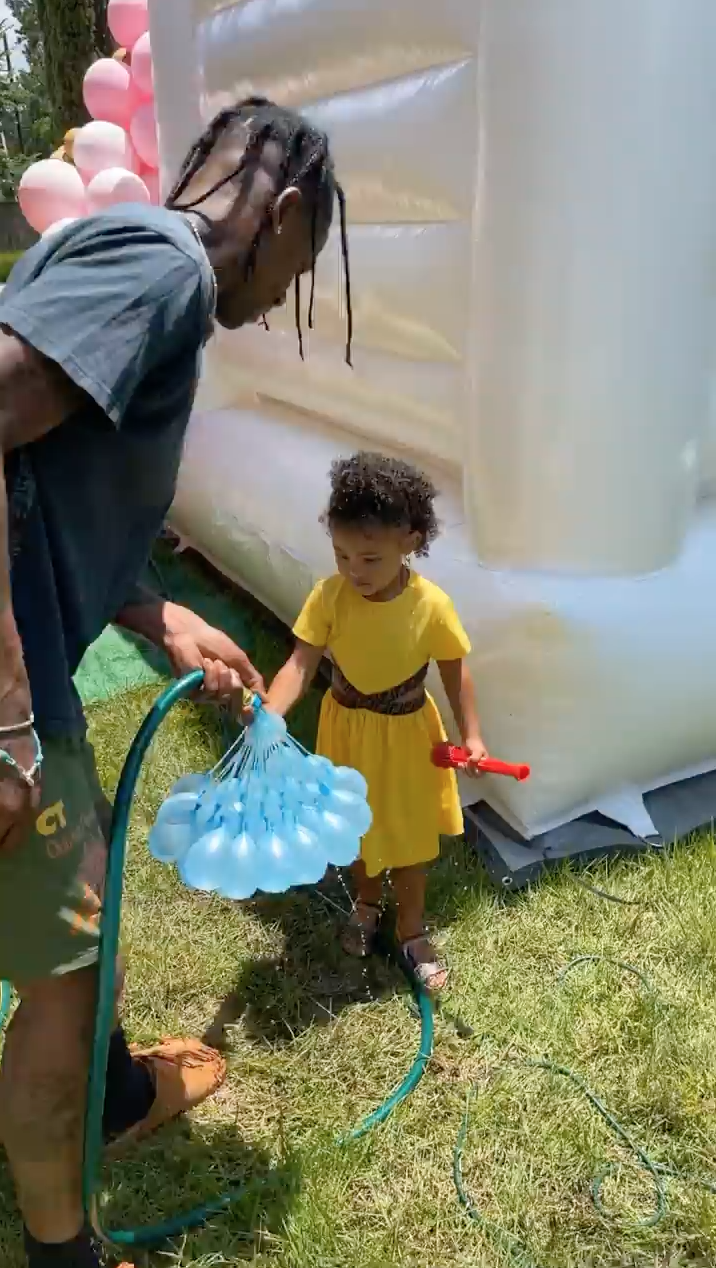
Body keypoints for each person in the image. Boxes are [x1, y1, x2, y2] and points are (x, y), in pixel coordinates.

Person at [0, 97, 351, 1268]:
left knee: (77, 932)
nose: (282, 297)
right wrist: (7, 717)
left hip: (38, 650)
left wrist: (159, 612)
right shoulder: (166, 272)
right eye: (302, 265)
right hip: (8, 688)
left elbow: (48, 470)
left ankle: (109, 1097)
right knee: (61, 973)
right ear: (286, 213)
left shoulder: (124, 257)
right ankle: (67, 1253)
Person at [265, 452, 488, 993]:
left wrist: (474, 736)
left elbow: (457, 675)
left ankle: (411, 930)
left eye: (369, 559)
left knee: (410, 840)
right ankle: (365, 905)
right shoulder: (330, 597)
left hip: (409, 734)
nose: (353, 572)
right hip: (346, 729)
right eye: (341, 555)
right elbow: (301, 661)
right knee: (357, 829)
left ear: (409, 542)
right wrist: (271, 712)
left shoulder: (431, 606)